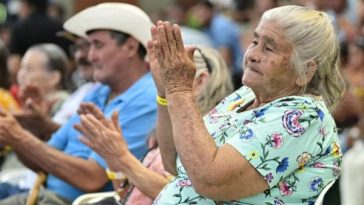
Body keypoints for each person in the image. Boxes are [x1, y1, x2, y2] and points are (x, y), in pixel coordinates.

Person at [151, 5, 345, 204]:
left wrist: (179, 88)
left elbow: (211, 181)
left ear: (305, 70)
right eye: (254, 41)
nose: (252, 54)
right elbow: (174, 162)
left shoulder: (302, 116)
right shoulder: (244, 96)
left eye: (268, 48)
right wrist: (165, 93)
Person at [0, 3, 156, 205]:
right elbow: (42, 160)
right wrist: (17, 134)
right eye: (89, 46)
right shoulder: (99, 91)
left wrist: (19, 137)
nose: (90, 56)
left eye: (98, 45)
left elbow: (91, 178)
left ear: (130, 47)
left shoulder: (146, 98)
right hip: (41, 195)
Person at [75, 46, 234, 205]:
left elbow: (184, 198)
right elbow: (126, 196)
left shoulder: (210, 134)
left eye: (171, 74)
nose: (160, 81)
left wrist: (122, 158)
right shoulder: (165, 127)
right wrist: (112, 158)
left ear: (199, 81)